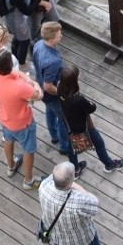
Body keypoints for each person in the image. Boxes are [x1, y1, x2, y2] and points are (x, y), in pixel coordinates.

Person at [38, 162, 123, 245]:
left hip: (58, 235)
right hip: (82, 238)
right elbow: (95, 202)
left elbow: (55, 177)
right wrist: (75, 185)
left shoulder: (44, 186)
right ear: (72, 179)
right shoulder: (78, 201)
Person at [57, 64, 123, 174]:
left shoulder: (59, 87)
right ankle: (109, 164)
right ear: (74, 81)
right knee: (99, 143)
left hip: (68, 124)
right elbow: (92, 107)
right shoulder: (78, 99)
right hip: (83, 127)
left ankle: (75, 169)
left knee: (72, 147)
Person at [0, 48, 43, 189]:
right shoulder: (20, 87)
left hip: (5, 118)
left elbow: (14, 73)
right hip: (23, 123)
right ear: (10, 64)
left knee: (8, 140)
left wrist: (24, 78)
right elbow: (38, 95)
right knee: (28, 149)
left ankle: (11, 166)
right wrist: (34, 83)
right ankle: (29, 181)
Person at [33, 23, 78, 167]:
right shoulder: (53, 61)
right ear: (52, 38)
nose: (61, 36)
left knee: (50, 111)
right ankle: (64, 146)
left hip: (42, 90)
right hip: (51, 94)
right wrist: (63, 93)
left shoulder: (39, 44)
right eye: (59, 35)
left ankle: (53, 136)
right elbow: (48, 86)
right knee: (64, 120)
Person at [0, 0, 35, 65]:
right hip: (17, 21)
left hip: (11, 18)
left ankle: (14, 57)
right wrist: (38, 0)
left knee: (17, 38)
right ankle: (21, 63)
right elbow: (27, 11)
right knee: (25, 42)